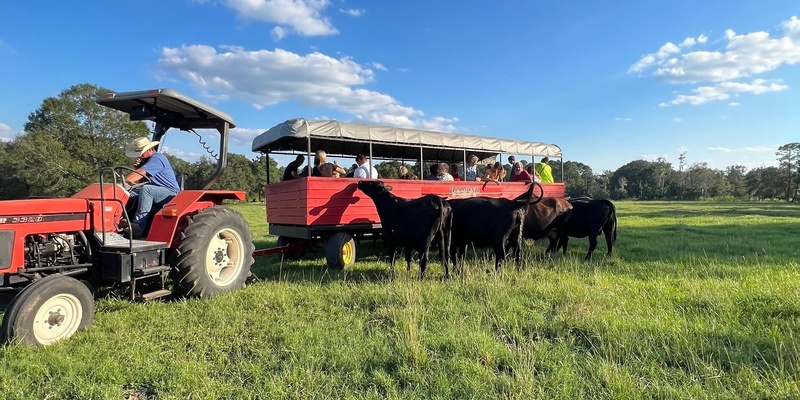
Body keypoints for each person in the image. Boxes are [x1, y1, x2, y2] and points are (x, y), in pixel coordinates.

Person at [123, 137, 181, 238]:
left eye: (141, 152)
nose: (139, 155)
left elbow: (141, 173)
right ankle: (122, 220)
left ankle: (138, 226)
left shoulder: (158, 158)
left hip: (171, 193)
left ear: (149, 150)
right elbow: (142, 180)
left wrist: (122, 184)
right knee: (130, 193)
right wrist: (137, 168)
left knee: (147, 189)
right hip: (156, 192)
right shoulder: (147, 161)